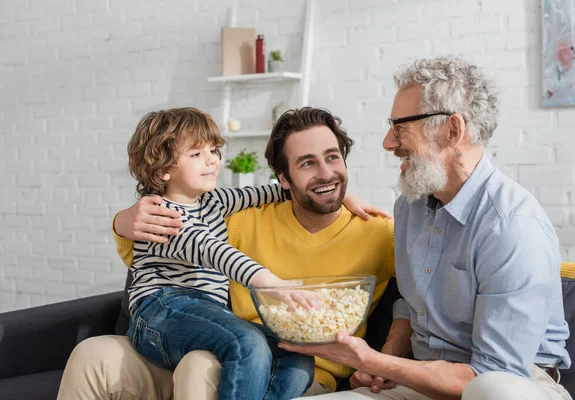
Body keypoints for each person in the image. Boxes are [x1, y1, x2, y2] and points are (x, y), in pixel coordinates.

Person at [279, 56, 574, 400]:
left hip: (516, 385)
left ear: (452, 130)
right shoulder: (411, 205)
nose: (388, 142)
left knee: (495, 392)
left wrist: (374, 360)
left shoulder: (513, 227)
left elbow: (492, 375)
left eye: (400, 126)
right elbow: (410, 302)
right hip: (423, 381)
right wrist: (387, 356)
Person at [57, 107, 396, 400]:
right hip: (179, 318)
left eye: (333, 158)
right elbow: (209, 250)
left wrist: (346, 197)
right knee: (94, 354)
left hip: (298, 363)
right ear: (286, 178)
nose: (325, 173)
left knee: (287, 354)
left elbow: (419, 298)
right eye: (307, 163)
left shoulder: (379, 231)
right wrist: (121, 221)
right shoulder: (183, 216)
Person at [121, 107, 323, 399]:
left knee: (295, 352)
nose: (212, 160)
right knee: (247, 342)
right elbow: (212, 250)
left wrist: (339, 196)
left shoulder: (214, 201)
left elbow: (275, 190)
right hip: (159, 314)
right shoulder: (159, 214)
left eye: (213, 150)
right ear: (163, 169)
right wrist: (273, 284)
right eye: (196, 154)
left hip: (207, 312)